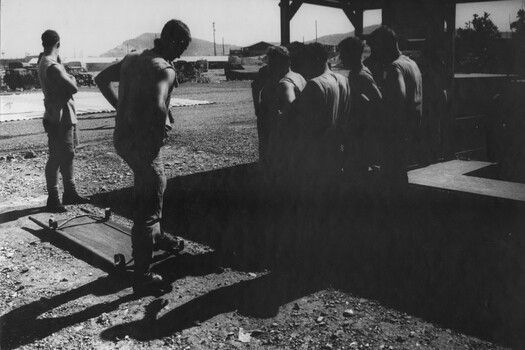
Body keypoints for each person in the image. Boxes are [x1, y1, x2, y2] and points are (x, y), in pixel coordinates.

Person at [95, 20, 190, 294]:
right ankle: (143, 276)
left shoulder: (132, 58)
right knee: (150, 202)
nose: (181, 54)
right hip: (144, 145)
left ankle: (157, 237)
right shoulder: (164, 69)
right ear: (172, 42)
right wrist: (158, 137)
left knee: (148, 185)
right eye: (181, 47)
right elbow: (160, 105)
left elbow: (100, 79)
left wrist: (120, 108)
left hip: (123, 140)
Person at [37, 30, 89, 213]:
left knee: (68, 155)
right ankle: (53, 198)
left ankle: (70, 192)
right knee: (58, 157)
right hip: (60, 118)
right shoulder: (54, 66)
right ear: (58, 44)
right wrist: (71, 77)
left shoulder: (43, 62)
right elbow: (73, 87)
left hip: (58, 115)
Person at [293, 43, 351, 197]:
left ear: (316, 60)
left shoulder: (314, 84)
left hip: (317, 151)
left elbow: (298, 118)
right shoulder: (343, 80)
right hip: (338, 147)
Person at [368, 26, 423, 192]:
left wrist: (372, 100)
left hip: (396, 132)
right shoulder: (411, 63)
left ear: (383, 46)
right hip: (412, 128)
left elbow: (397, 101)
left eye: (374, 49)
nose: (373, 54)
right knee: (399, 174)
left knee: (392, 177)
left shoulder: (394, 68)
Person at [338, 37, 382, 187]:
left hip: (361, 135)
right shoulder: (354, 73)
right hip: (355, 133)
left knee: (357, 175)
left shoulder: (361, 75)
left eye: (343, 53)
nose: (341, 57)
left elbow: (378, 100)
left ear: (352, 54)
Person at [263, 46, 306, 180]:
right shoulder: (299, 77)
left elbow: (291, 109)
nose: (269, 67)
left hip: (289, 139)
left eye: (272, 63)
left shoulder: (284, 84)